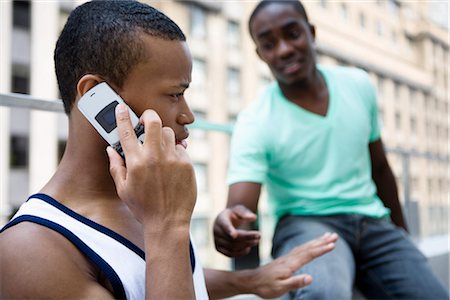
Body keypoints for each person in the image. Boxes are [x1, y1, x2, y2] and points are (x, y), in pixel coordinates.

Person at [0, 1, 339, 299]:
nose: (187, 115)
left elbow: (145, 277)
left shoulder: (144, 192)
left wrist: (250, 281)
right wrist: (167, 227)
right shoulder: (30, 252)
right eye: (175, 94)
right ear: (96, 96)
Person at [213, 1, 449, 299]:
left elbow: (379, 168)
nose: (284, 49)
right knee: (322, 293)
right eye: (269, 44)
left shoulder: (357, 85)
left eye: (292, 33)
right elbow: (242, 207)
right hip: (307, 224)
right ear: (261, 54)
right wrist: (230, 220)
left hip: (373, 223)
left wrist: (402, 235)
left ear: (311, 33)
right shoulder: (255, 120)